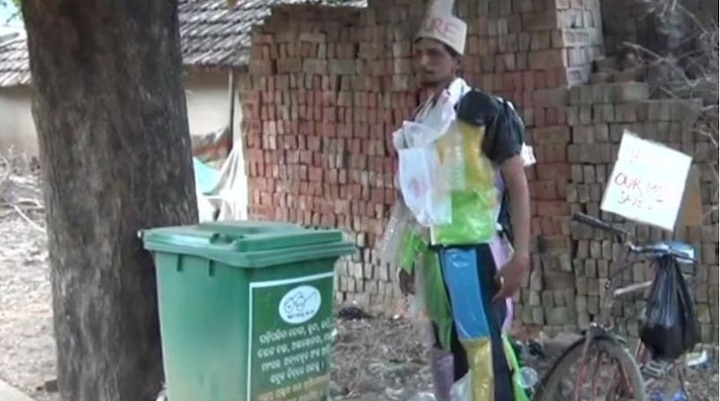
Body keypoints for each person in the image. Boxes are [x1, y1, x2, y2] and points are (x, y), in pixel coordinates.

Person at [393, 1, 533, 400]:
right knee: (445, 351)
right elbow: (419, 198)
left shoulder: (485, 113)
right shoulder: (423, 121)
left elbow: (518, 185)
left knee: (482, 349)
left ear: (456, 60)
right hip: (435, 254)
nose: (424, 61)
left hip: (475, 254)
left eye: (435, 53)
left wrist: (520, 257)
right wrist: (408, 254)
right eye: (419, 52)